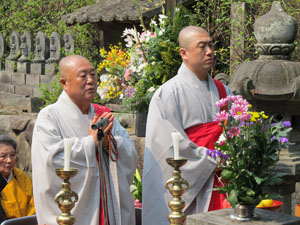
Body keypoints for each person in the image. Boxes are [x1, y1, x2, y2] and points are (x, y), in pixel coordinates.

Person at [31, 55, 138, 225]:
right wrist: (91, 143)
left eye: (93, 74)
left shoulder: (103, 114)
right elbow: (51, 160)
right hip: (73, 212)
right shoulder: (49, 116)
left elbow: (130, 152)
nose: (91, 81)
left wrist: (109, 143)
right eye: (83, 75)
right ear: (64, 83)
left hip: (106, 207)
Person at [142, 26, 232, 225]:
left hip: (224, 179)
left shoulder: (224, 91)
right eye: (202, 46)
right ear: (184, 53)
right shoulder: (168, 93)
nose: (210, 51)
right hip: (192, 184)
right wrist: (213, 158)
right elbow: (166, 146)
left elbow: (237, 130)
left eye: (210, 45)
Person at [0, 134, 35, 222]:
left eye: (12, 155)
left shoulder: (21, 177)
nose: (9, 160)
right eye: (3, 156)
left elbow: (33, 204)